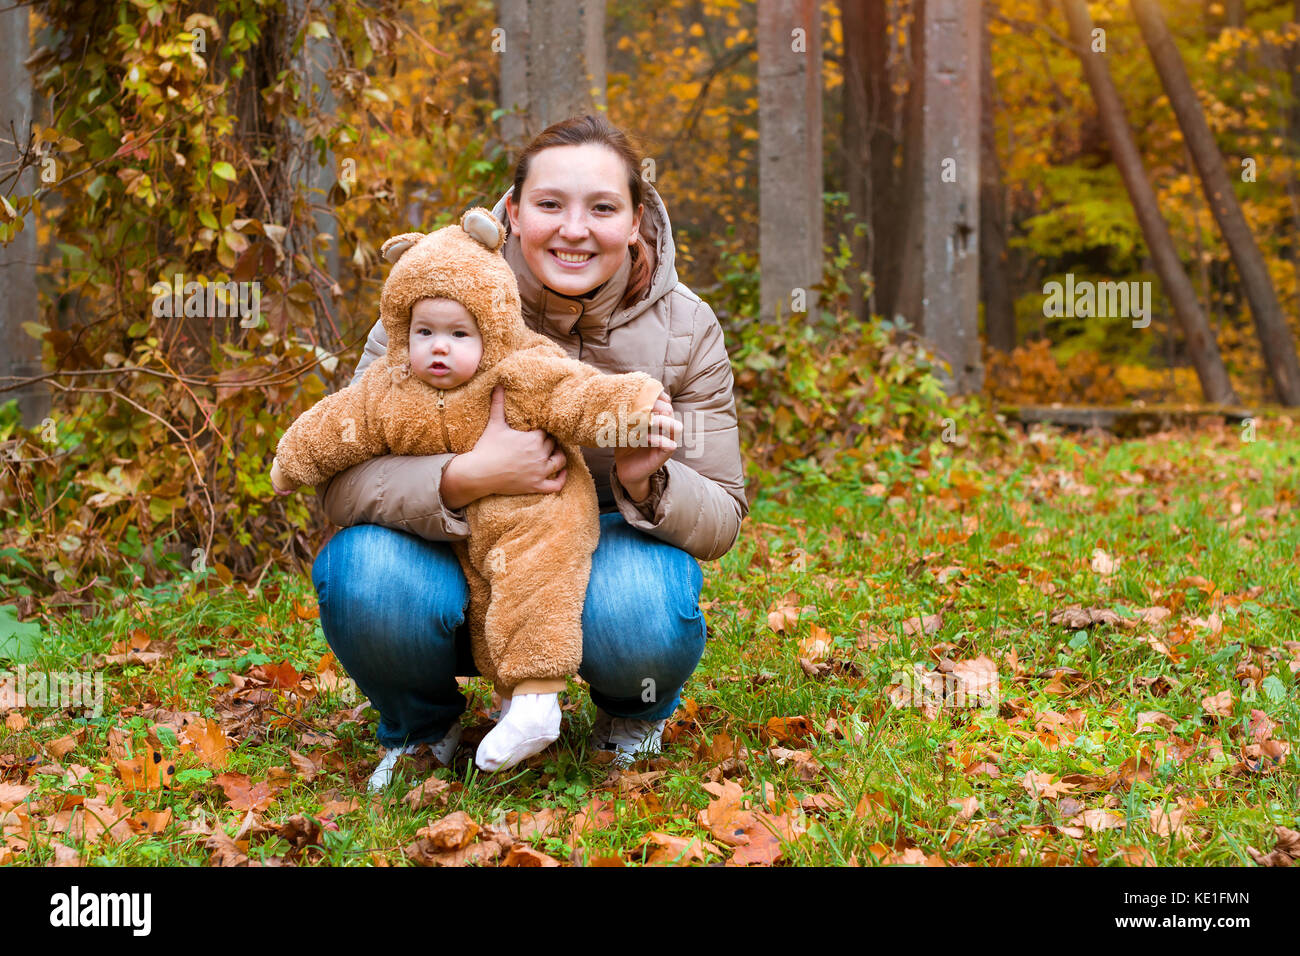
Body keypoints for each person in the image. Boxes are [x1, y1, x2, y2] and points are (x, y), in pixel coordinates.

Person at [312, 113, 749, 790]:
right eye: (550, 205)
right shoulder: (436, 297)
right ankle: (422, 731)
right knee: (362, 571)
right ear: (513, 213)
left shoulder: (686, 327)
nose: (574, 229)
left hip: (604, 544)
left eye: (602, 208)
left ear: (636, 220)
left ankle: (630, 716)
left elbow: (722, 516)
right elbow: (340, 477)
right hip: (451, 545)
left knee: (640, 605)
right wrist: (464, 477)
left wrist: (646, 484)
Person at [269, 209, 666, 775]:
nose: (438, 348)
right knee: (475, 599)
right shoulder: (389, 384)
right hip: (449, 536)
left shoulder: (518, 369)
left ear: (491, 329)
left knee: (532, 583)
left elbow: (578, 395)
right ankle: (444, 725)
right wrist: (291, 461)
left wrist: (635, 410)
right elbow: (336, 422)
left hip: (538, 513)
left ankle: (536, 699)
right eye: (424, 332)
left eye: (459, 335)